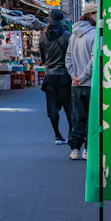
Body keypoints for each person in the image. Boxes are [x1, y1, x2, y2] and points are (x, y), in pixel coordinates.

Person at [65, 6, 97, 161]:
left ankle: (75, 149)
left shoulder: (73, 35)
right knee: (92, 117)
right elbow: (94, 59)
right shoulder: (95, 34)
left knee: (77, 116)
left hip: (76, 84)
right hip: (91, 83)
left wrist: (74, 76)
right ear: (92, 15)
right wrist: (83, 77)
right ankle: (88, 149)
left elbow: (68, 58)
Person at [39, 9, 72, 144]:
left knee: (52, 109)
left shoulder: (43, 37)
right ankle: (71, 134)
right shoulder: (68, 36)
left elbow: (42, 58)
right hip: (65, 76)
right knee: (69, 107)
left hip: (50, 77)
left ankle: (57, 135)